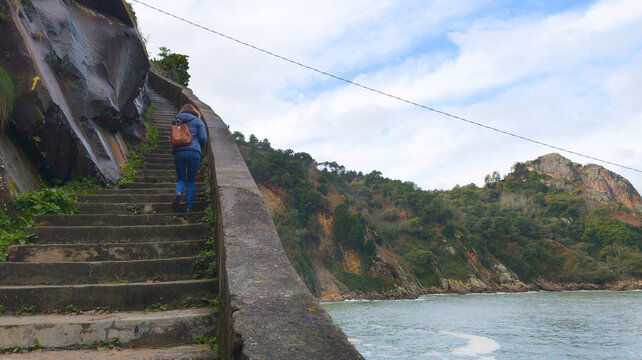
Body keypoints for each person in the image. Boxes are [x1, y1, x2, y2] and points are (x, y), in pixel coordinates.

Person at [171, 104, 207, 212]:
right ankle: (188, 207)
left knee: (181, 179)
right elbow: (203, 138)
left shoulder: (176, 121)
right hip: (194, 152)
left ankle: (178, 193)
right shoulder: (198, 121)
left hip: (179, 152)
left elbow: (173, 136)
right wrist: (199, 147)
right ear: (194, 111)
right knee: (191, 180)